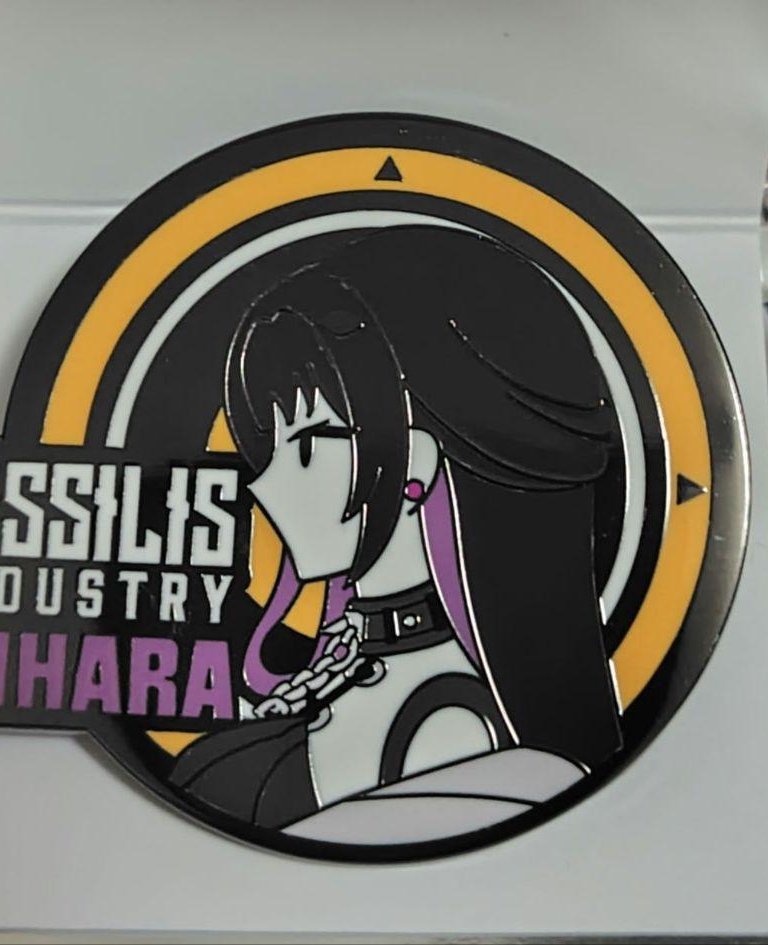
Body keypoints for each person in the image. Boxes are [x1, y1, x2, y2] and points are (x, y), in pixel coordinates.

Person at [171, 226, 622, 830]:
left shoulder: (457, 732)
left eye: (305, 446)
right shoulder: (347, 682)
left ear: (416, 464)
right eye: (269, 448)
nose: (263, 485)